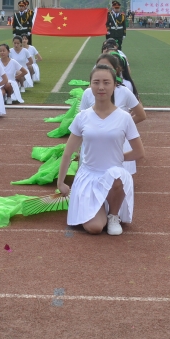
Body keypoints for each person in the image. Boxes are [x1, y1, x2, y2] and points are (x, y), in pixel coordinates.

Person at [57, 63, 145, 235]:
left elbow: (139, 153)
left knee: (117, 175)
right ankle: (98, 205)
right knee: (95, 228)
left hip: (114, 178)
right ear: (90, 85)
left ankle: (114, 214)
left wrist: (116, 158)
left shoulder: (125, 118)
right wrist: (61, 183)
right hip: (89, 176)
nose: (101, 87)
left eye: (106, 82)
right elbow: (68, 152)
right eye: (96, 82)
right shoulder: (82, 117)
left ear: (114, 85)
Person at [79, 54, 147, 175]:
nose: (103, 69)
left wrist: (121, 126)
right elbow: (81, 123)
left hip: (118, 144)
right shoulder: (88, 93)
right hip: (93, 146)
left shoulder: (124, 91)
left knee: (118, 181)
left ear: (116, 70)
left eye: (107, 66)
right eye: (99, 66)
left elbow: (141, 115)